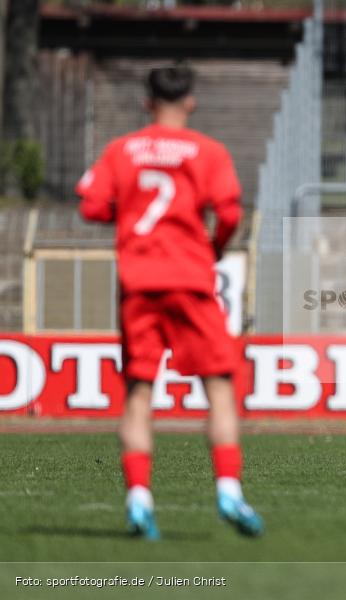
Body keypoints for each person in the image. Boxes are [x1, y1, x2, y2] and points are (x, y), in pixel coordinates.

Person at [77, 65, 263, 539]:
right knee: (219, 385)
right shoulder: (208, 151)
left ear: (147, 102)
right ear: (191, 102)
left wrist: (131, 210)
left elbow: (91, 205)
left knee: (139, 393)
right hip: (190, 279)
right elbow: (228, 212)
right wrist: (214, 246)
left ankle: (139, 501)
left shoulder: (121, 150)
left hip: (138, 283)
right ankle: (228, 492)